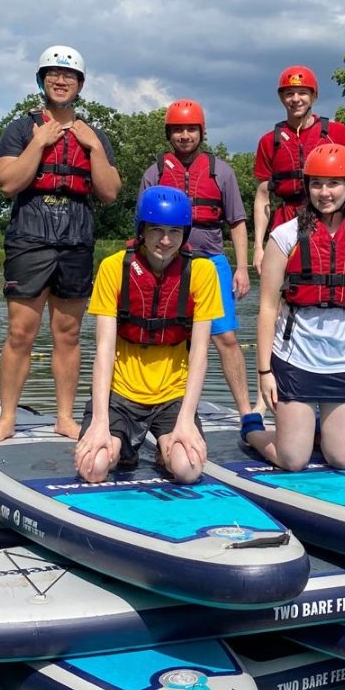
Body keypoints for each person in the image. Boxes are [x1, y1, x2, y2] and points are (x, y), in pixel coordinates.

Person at [0, 45, 122, 443]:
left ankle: (64, 417)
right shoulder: (21, 129)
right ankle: (7, 418)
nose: (61, 81)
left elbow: (109, 192)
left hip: (76, 233)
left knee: (68, 333)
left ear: (79, 84)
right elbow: (8, 183)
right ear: (42, 80)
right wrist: (39, 143)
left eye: (69, 76)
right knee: (21, 333)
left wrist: (92, 146)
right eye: (53, 75)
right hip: (31, 231)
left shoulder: (94, 134)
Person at [244, 143, 345, 471]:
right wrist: (264, 371)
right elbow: (267, 308)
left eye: (333, 183)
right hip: (295, 358)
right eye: (316, 183)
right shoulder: (284, 236)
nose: (324, 192)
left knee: (343, 459)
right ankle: (253, 429)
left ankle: (316, 430)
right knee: (293, 461)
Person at [74, 185, 224, 485]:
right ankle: (124, 447)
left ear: (185, 233)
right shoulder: (113, 267)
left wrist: (186, 422)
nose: (165, 240)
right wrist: (100, 422)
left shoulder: (203, 272)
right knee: (94, 468)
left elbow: (200, 355)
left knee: (188, 469)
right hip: (121, 393)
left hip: (172, 394)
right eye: (156, 229)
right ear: (141, 229)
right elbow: (103, 350)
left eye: (174, 231)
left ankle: (164, 449)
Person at [138, 99, 264, 427]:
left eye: (190, 129)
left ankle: (245, 412)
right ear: (169, 133)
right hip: (169, 265)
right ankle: (168, 411)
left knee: (226, 338)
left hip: (211, 263)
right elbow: (142, 229)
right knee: (173, 339)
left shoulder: (221, 171)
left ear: (201, 132)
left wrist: (240, 268)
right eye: (178, 129)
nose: (184, 135)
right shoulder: (154, 172)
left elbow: (237, 222)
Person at [252, 66, 345, 274]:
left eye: (302, 93)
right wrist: (258, 247)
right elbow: (262, 197)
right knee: (281, 291)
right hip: (286, 220)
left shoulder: (337, 132)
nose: (296, 99)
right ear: (282, 98)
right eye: (289, 93)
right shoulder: (268, 141)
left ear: (314, 96)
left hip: (328, 218)